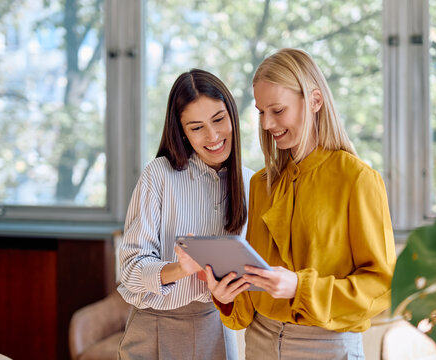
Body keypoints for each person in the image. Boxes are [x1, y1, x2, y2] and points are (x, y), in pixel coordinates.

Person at [204, 48, 396, 359]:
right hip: (260, 341)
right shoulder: (261, 184)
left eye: (277, 110)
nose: (267, 124)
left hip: (327, 345)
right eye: (261, 111)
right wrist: (225, 294)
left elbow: (381, 287)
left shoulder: (358, 179)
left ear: (316, 100)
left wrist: (299, 287)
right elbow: (250, 297)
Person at [117, 68, 254, 360]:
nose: (213, 135)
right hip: (154, 327)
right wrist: (180, 269)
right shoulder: (159, 175)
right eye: (196, 127)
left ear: (233, 115)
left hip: (217, 327)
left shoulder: (252, 183)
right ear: (181, 132)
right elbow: (130, 270)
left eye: (218, 119)